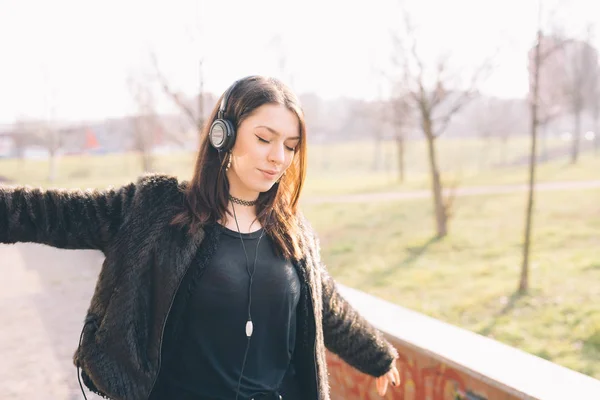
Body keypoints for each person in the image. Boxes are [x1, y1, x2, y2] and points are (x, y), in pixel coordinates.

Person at [0, 75, 400, 400]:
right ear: (223, 135)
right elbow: (48, 213)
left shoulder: (293, 231)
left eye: (290, 146)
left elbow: (327, 307)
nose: (279, 156)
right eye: (264, 138)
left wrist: (379, 356)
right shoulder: (155, 209)